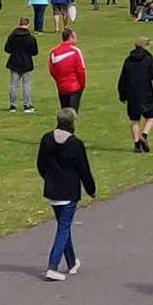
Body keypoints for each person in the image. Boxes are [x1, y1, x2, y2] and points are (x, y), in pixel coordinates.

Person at [38, 108, 97, 281]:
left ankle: (72, 263)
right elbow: (83, 169)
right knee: (63, 228)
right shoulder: (75, 144)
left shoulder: (46, 139)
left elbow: (41, 164)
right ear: (72, 122)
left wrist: (49, 179)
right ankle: (52, 266)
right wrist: (91, 189)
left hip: (52, 191)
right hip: (68, 192)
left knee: (64, 226)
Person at [118, 36, 153, 153]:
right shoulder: (148, 59)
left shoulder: (128, 60)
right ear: (145, 46)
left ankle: (137, 145)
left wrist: (122, 94)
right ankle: (144, 135)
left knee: (134, 120)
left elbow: (123, 79)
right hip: (146, 92)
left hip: (132, 94)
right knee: (150, 117)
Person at [5, 17, 39, 113]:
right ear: (28, 24)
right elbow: (34, 52)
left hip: (14, 62)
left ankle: (12, 105)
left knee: (13, 85)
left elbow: (7, 49)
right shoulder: (31, 38)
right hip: (27, 63)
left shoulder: (12, 36)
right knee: (27, 84)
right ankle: (27, 105)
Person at [48, 29, 86, 112]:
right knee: (72, 114)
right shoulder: (75, 51)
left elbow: (52, 70)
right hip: (75, 87)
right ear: (71, 37)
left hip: (62, 88)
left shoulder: (54, 52)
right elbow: (81, 70)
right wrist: (82, 85)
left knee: (64, 113)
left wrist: (59, 81)